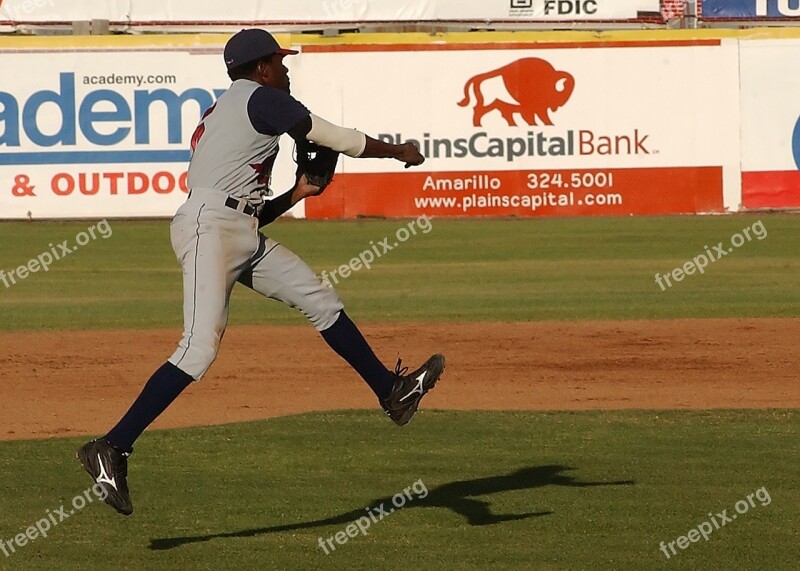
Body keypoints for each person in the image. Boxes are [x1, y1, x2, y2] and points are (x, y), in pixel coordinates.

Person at [77, 29, 445, 516]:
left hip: (232, 228)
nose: (286, 69)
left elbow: (245, 215)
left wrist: (297, 196)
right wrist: (398, 152)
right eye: (280, 61)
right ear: (262, 68)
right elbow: (334, 138)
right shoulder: (259, 99)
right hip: (211, 228)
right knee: (197, 348)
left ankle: (391, 392)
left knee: (320, 300)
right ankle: (112, 447)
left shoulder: (235, 109)